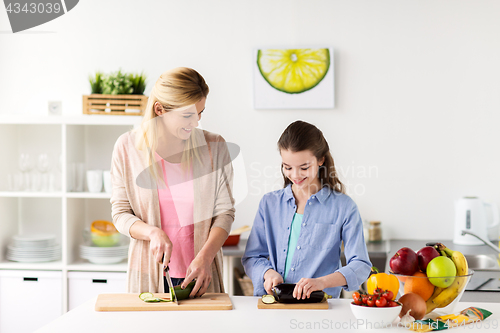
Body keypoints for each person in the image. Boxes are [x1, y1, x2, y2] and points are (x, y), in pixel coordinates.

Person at [110, 67, 235, 297]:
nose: (196, 123)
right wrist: (152, 233)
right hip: (148, 274)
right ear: (159, 110)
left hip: (201, 276)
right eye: (188, 115)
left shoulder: (214, 147)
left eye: (200, 113)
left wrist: (206, 257)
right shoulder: (127, 147)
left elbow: (224, 213)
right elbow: (120, 213)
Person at [242, 120, 371, 299]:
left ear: (320, 160)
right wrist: (268, 273)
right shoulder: (269, 204)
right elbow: (252, 257)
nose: (295, 175)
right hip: (273, 305)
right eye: (287, 167)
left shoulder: (344, 207)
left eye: (304, 167)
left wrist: (322, 282)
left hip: (320, 307)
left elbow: (361, 265)